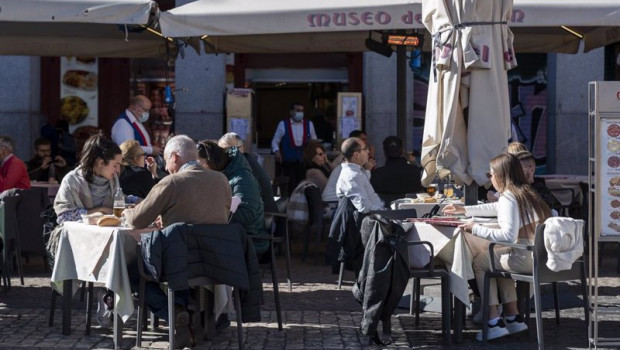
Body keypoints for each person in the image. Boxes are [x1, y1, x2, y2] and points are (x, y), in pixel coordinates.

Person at [123, 135, 232, 347]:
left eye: (165, 161)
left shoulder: (172, 182)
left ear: (174, 157)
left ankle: (175, 313)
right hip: (214, 262)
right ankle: (187, 311)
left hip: (177, 263)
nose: (166, 167)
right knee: (177, 254)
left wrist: (127, 212)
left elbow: (137, 220)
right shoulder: (222, 180)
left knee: (130, 269)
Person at [442, 153, 551, 341]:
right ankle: (513, 316)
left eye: (490, 174)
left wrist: (475, 228)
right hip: (539, 257)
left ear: (501, 175)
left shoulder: (510, 196)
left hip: (524, 258)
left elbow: (507, 236)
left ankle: (492, 321)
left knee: (480, 261)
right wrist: (465, 209)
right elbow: (497, 208)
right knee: (495, 259)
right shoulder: (526, 193)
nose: (489, 178)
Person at [47, 134, 122, 328]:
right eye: (115, 165)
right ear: (100, 162)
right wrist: (97, 212)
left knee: (125, 255)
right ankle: (108, 296)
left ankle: (108, 295)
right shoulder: (72, 181)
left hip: (106, 240)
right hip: (76, 243)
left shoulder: (113, 181)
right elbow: (63, 216)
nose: (118, 170)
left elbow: (117, 206)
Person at [197, 140, 268, 254]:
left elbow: (246, 213)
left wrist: (214, 218)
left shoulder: (242, 179)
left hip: (249, 241)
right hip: (231, 236)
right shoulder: (224, 176)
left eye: (201, 167)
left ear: (210, 163)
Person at [218, 132, 277, 213]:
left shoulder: (247, 166)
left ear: (241, 149)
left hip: (263, 215)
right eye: (223, 151)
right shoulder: (239, 163)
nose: (227, 154)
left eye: (231, 149)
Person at [271, 102, 317, 194]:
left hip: (304, 162)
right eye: (298, 110)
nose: (301, 113)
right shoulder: (283, 124)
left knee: (303, 185)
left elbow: (314, 140)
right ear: (291, 112)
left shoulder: (309, 124)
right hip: (288, 161)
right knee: (290, 186)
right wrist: (277, 151)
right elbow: (275, 141)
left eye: (302, 111)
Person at [336, 137, 385, 213]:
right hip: (366, 220)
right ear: (356, 154)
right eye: (365, 149)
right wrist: (385, 213)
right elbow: (365, 207)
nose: (368, 151)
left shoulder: (357, 172)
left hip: (377, 213)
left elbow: (370, 196)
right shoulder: (352, 176)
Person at [370, 136, 423, 204]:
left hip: (386, 212)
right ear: (403, 151)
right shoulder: (417, 173)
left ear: (384, 152)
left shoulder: (376, 175)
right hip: (413, 211)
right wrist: (415, 163)